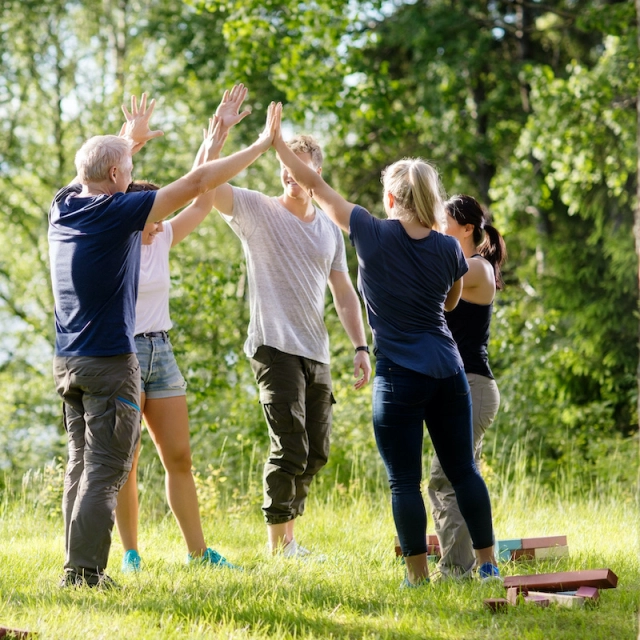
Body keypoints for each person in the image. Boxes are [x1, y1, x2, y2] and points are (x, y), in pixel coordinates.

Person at [49, 92, 281, 588]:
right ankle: (85, 574)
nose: (131, 173)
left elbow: (94, 168)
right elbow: (199, 183)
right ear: (117, 178)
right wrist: (263, 143)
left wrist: (127, 139)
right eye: (128, 166)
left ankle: (75, 565)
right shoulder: (117, 214)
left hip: (68, 360)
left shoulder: (63, 205)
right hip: (109, 359)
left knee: (81, 463)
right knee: (108, 471)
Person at [272, 125, 500, 586]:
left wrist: (277, 143)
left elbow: (313, 185)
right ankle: (489, 566)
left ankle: (417, 577)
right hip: (450, 371)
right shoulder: (448, 249)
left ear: (392, 200)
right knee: (463, 469)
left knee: (404, 481)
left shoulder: (369, 232)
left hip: (399, 377)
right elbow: (451, 302)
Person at [208, 118, 371, 557]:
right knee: (290, 446)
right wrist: (224, 141)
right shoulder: (257, 208)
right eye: (285, 170)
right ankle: (279, 546)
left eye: (300, 171)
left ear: (315, 175)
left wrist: (360, 346)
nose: (291, 178)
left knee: (316, 451)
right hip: (272, 344)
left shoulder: (328, 229)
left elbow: (343, 292)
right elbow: (206, 186)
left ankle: (290, 541)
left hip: (315, 351)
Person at [115, 86, 253, 573]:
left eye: (160, 210)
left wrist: (216, 137)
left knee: (179, 456)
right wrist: (124, 143)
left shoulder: (165, 235)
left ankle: (199, 553)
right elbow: (99, 184)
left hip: (161, 353)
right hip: (122, 356)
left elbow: (197, 191)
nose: (160, 218)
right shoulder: (118, 242)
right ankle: (131, 554)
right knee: (124, 464)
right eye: (151, 211)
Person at [427, 194, 507, 579]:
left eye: (443, 220)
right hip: (463, 385)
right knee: (459, 474)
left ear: (466, 228)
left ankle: (456, 570)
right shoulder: (467, 264)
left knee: (446, 476)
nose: (437, 226)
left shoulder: (476, 268)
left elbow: (433, 289)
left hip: (473, 385)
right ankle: (481, 563)